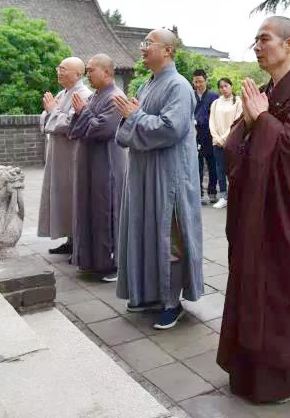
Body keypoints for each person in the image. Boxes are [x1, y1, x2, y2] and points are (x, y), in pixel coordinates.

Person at [217, 16, 290, 404]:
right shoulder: (266, 90)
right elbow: (235, 147)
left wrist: (262, 120)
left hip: (289, 214)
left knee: (283, 292)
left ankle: (284, 375)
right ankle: (249, 367)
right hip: (257, 214)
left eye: (264, 39)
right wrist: (250, 123)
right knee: (253, 285)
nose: (257, 46)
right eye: (255, 40)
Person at [114, 28, 203, 330]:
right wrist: (131, 118)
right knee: (146, 232)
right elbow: (128, 127)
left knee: (169, 239)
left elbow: (170, 129)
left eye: (148, 43)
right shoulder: (145, 85)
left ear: (167, 51)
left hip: (169, 175)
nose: (142, 48)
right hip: (144, 173)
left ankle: (171, 303)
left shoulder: (179, 86)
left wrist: (135, 117)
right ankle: (150, 294)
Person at [67, 54, 127, 281]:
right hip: (89, 163)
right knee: (88, 209)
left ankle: (110, 264)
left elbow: (103, 130)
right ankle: (90, 259)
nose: (87, 74)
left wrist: (84, 113)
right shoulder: (94, 97)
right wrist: (83, 115)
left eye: (91, 70)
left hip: (106, 164)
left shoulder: (116, 98)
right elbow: (75, 129)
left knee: (105, 210)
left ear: (106, 72)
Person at [39, 57, 92, 254]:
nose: (59, 72)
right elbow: (47, 118)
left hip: (72, 155)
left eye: (63, 69)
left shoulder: (84, 94)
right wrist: (50, 111)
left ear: (78, 74)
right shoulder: (63, 93)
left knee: (72, 197)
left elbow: (73, 123)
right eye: (58, 68)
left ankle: (77, 241)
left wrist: (52, 110)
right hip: (58, 154)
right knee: (62, 197)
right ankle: (70, 239)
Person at [208, 77, 243, 209]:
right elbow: (211, 122)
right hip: (217, 142)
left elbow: (237, 122)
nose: (224, 89)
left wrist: (223, 138)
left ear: (231, 86)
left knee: (233, 170)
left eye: (226, 86)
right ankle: (223, 196)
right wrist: (216, 137)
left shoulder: (238, 102)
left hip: (232, 141)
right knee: (220, 169)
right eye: (221, 87)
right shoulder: (216, 103)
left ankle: (234, 196)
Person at [193, 69, 219, 205]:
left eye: (201, 81)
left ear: (206, 81)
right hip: (195, 134)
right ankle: (199, 194)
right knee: (197, 165)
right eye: (196, 82)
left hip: (210, 134)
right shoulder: (190, 95)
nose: (198, 84)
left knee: (212, 164)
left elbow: (217, 115)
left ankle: (213, 191)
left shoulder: (214, 96)